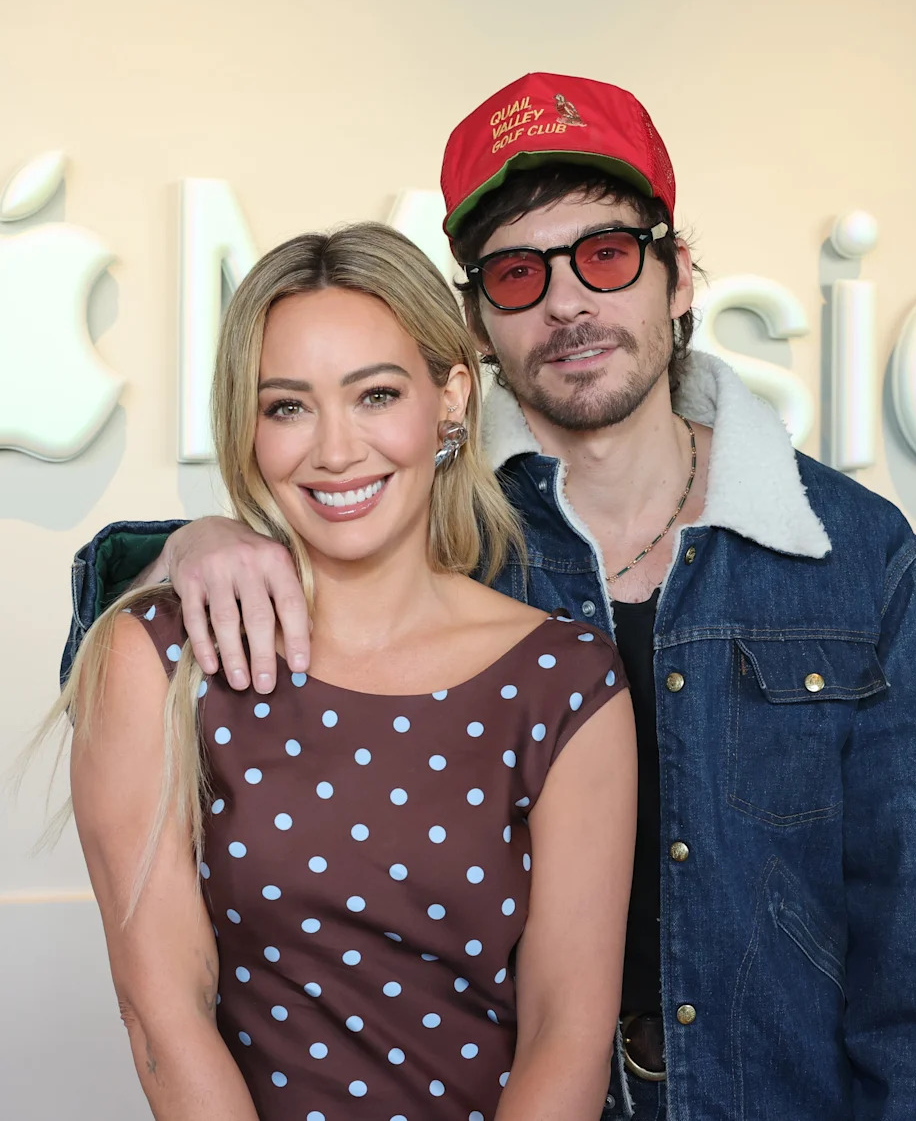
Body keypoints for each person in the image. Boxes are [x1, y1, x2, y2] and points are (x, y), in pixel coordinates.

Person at [63, 73, 916, 1120]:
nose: (569, 303)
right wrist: (195, 544)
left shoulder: (853, 552)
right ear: (477, 328)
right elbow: (212, 623)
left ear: (678, 276)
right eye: (520, 274)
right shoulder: (447, 532)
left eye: (609, 255)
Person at [52, 222, 637, 1120]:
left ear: (449, 397)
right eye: (287, 406)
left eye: (374, 395)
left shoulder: (566, 682)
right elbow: (162, 1017)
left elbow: (568, 1030)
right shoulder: (162, 657)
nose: (335, 450)